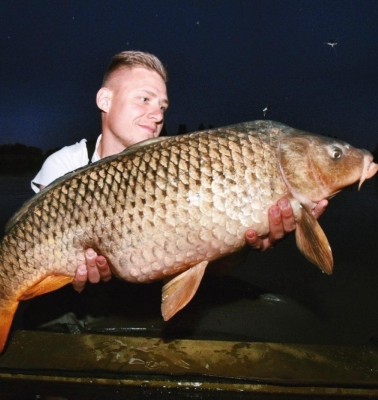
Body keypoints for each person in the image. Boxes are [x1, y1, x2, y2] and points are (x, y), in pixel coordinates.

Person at [30, 51, 327, 293]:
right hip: (79, 301)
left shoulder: (180, 172)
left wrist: (244, 244)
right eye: (144, 99)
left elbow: (210, 266)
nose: (158, 113)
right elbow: (34, 250)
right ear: (105, 100)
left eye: (163, 105)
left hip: (148, 296)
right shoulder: (63, 166)